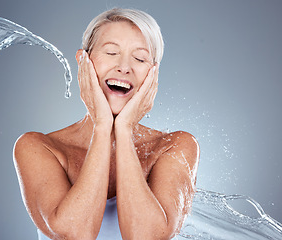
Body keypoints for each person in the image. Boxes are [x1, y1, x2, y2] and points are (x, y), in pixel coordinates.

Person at [13, 8, 199, 240]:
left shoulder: (175, 146)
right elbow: (75, 234)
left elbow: (147, 236)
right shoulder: (37, 147)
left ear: (153, 75)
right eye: (111, 52)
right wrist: (102, 126)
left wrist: (124, 129)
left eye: (140, 58)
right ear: (84, 61)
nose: (124, 67)